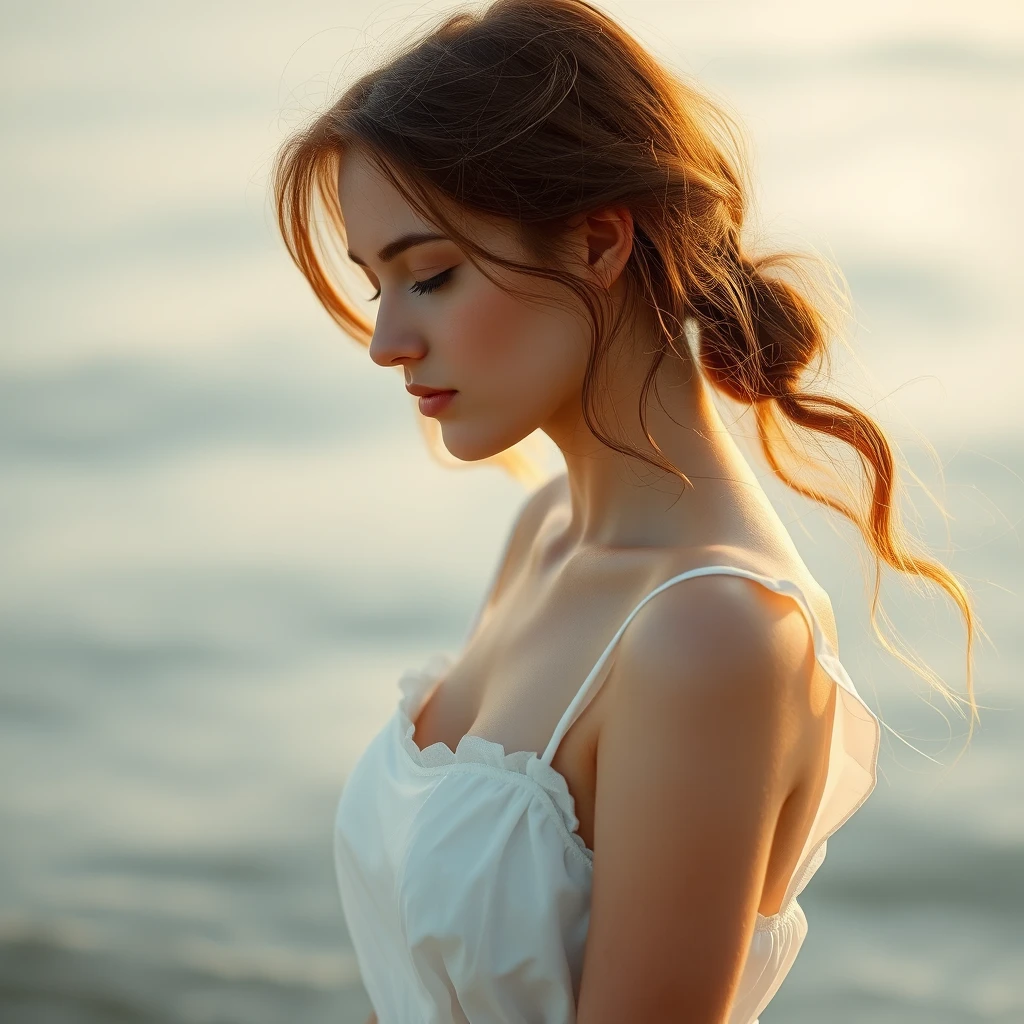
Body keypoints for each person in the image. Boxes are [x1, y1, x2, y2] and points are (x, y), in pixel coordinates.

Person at [271, 1, 979, 1019]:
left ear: (599, 242)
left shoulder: (710, 632)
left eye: (428, 275)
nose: (386, 341)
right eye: (377, 285)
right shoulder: (545, 532)